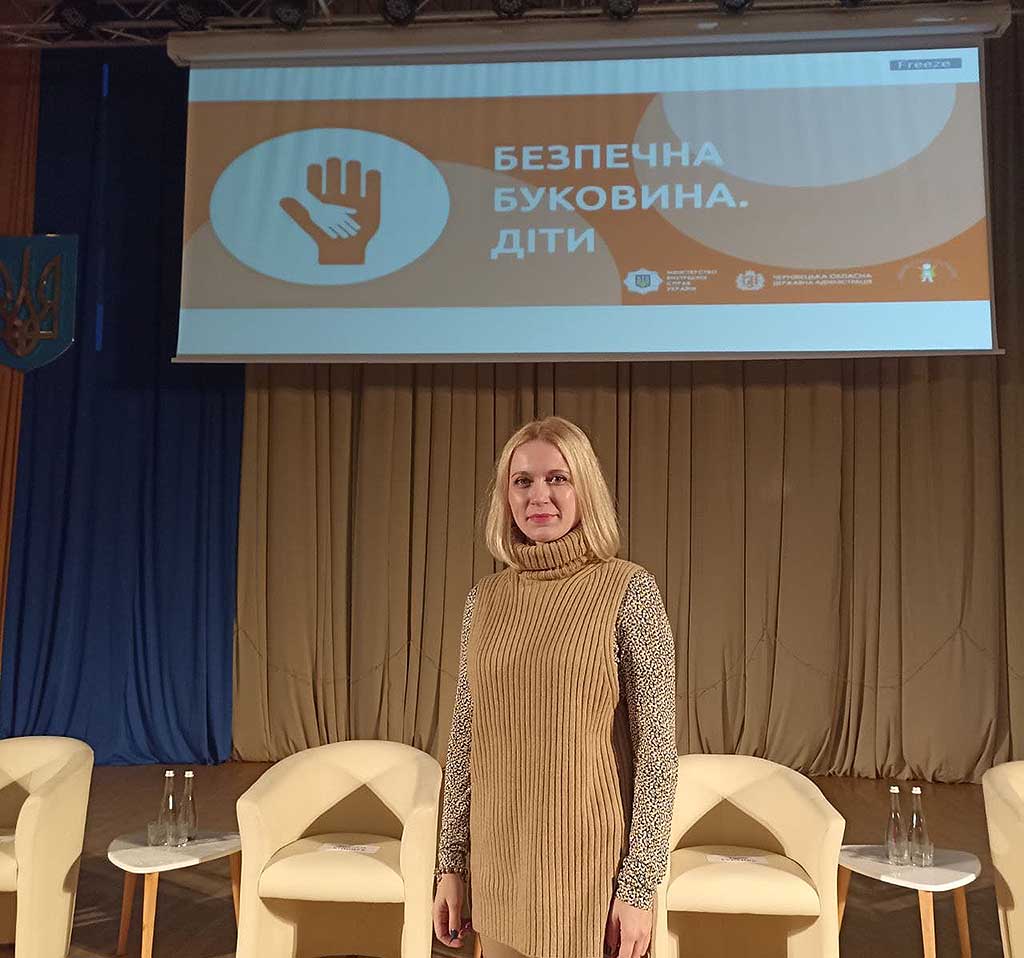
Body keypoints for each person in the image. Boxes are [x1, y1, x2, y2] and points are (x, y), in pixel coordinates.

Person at [432, 416, 678, 958]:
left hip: (588, 881)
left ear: (584, 488)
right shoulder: (484, 600)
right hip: (499, 869)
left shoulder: (629, 590)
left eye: (557, 478)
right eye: (522, 481)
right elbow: (465, 740)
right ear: (506, 496)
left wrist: (639, 887)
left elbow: (657, 754)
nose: (538, 495)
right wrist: (450, 864)